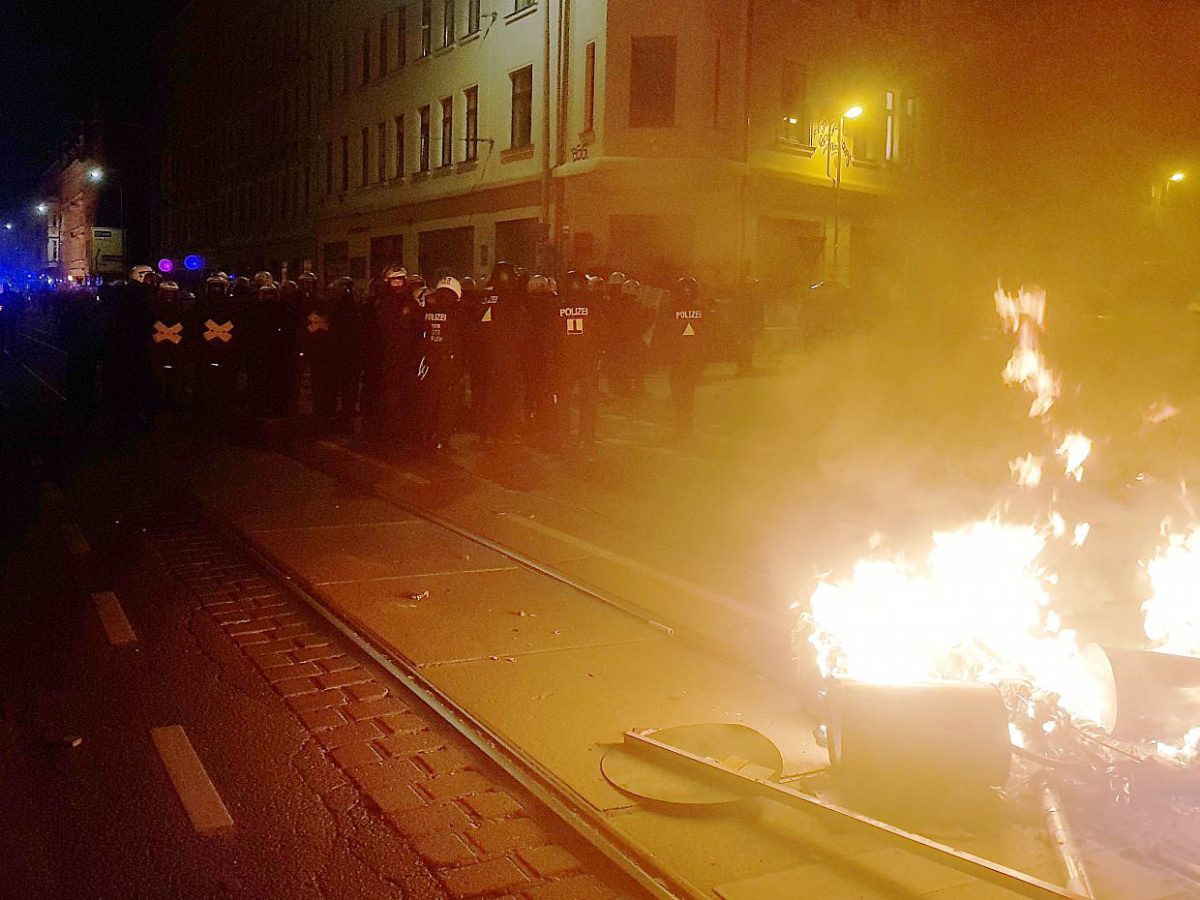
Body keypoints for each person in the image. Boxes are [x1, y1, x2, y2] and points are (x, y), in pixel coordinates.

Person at [549, 270, 603, 451]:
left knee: (563, 399)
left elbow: (552, 337)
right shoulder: (593, 307)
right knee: (588, 400)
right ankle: (586, 438)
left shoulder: (558, 307)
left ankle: (562, 437)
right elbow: (603, 332)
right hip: (587, 360)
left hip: (564, 361)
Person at [473, 261, 525, 445]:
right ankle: (505, 432)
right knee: (508, 394)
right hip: (505, 353)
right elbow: (519, 327)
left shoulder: (483, 296)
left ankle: (486, 432)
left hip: (483, 354)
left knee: (486, 393)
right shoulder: (509, 298)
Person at [416, 276, 465, 450]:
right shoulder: (456, 311)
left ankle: (425, 434)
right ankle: (441, 439)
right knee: (446, 403)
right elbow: (460, 341)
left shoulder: (429, 308)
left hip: (429, 362)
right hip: (448, 363)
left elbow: (421, 336)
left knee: (429, 400)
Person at [662, 276, 712, 440]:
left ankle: (681, 426)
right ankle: (685, 427)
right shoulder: (702, 311)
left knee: (678, 394)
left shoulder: (670, 310)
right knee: (688, 394)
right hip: (694, 360)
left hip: (678, 360)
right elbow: (709, 336)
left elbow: (664, 335)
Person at [191, 272, 241, 427]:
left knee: (222, 380)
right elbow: (194, 325)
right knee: (207, 380)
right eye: (214, 287)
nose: (216, 290)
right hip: (210, 350)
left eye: (218, 287)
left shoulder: (230, 304)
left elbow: (238, 327)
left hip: (223, 349)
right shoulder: (203, 304)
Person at [147, 279, 192, 414]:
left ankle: (168, 403)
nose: (169, 298)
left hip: (172, 352)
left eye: (171, 294)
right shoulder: (154, 310)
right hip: (162, 352)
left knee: (173, 381)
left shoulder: (182, 311)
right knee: (160, 381)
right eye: (167, 294)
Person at [731, 274, 764, 376]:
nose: (755, 287)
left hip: (747, 326)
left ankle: (745, 366)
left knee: (747, 346)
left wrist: (759, 325)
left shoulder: (750, 298)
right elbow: (755, 312)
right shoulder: (746, 298)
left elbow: (758, 313)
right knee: (745, 346)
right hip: (745, 326)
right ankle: (743, 367)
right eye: (753, 285)